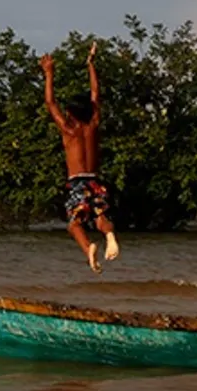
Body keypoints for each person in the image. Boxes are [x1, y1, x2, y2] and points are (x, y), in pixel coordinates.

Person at [39, 41, 119, 273]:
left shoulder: (68, 129)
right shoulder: (93, 124)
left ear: (71, 112)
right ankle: (109, 234)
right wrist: (90, 64)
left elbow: (50, 102)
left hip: (78, 182)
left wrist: (49, 73)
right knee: (100, 214)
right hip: (95, 180)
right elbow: (95, 94)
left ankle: (89, 249)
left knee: (74, 224)